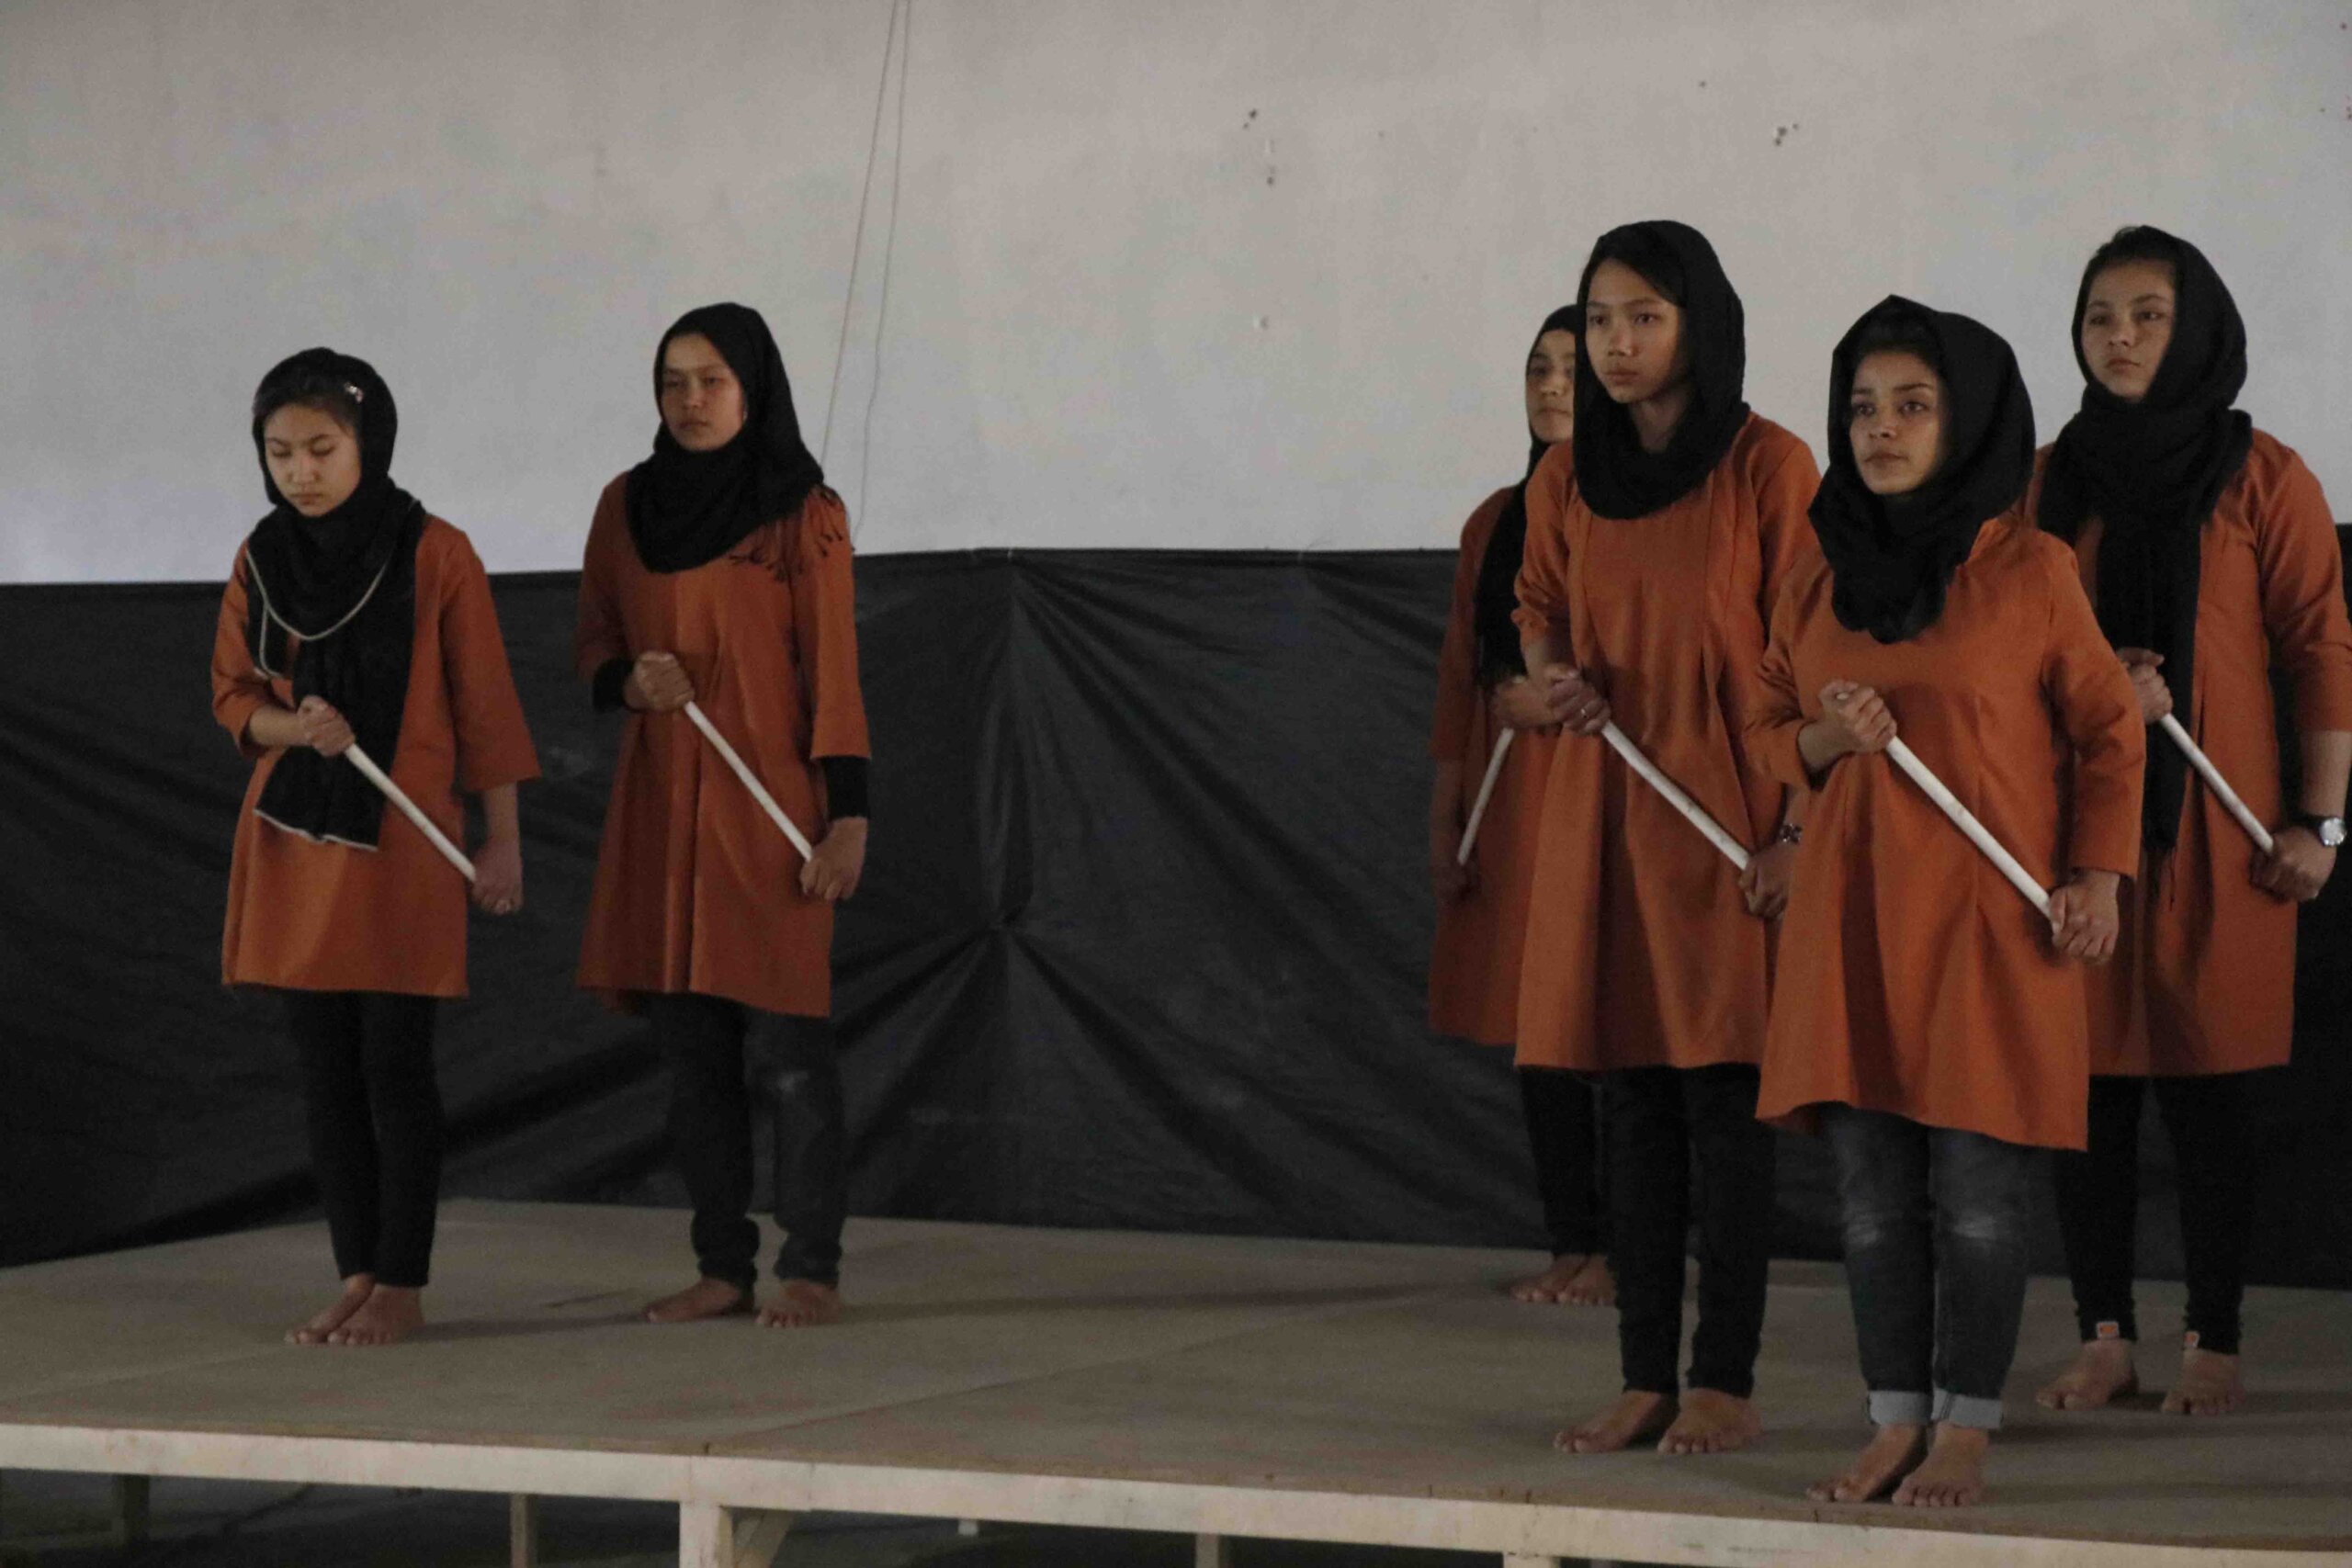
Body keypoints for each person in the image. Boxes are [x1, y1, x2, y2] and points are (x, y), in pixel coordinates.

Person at [1750, 297, 2144, 1506]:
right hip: (1852, 925)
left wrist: (2097, 874)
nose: (1882, 428)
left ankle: (1967, 1420)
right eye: (1864, 406)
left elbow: (2109, 730)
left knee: (1978, 1195)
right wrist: (1824, 732)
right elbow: (1768, 726)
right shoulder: (1817, 574)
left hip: (1990, 928)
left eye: (1913, 405)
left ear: (1964, 417)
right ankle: (1891, 1416)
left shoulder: (2028, 569)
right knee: (1872, 1197)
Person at [2028, 228, 2352, 1419]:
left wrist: (2321, 818)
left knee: (2214, 1093)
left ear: (2197, 322)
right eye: (2101, 314)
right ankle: (2104, 1336)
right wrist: (2098, 684)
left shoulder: (2267, 474)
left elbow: (2320, 649)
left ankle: (2215, 1334)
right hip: (2081, 838)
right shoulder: (2046, 479)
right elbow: (2004, 651)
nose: (2119, 336)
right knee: (2089, 1093)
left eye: (2147, 313)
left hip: (2227, 838)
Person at [1514, 221, 1819, 1455]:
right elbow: (1534, 609)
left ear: (1699, 320)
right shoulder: (1564, 475)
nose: (1618, 343)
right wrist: (1553, 674)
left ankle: (1724, 1377)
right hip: (1608, 817)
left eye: (1644, 315)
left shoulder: (1770, 464)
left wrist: (1797, 827)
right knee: (1629, 1095)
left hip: (1732, 823)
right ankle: (1645, 1369)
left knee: (1725, 1101)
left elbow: (1815, 649)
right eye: (1599, 320)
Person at [212, 347, 537, 1348]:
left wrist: (503, 844)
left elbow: (486, 708)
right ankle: (356, 1271)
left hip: (404, 841)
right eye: (280, 452)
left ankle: (404, 1281)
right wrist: (289, 729)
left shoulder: (435, 551)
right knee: (324, 1071)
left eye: (322, 447)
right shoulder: (260, 557)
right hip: (292, 844)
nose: (300, 471)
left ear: (369, 444)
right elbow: (234, 699)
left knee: (395, 1067)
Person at [576, 303, 872, 1330]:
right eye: (672, 381)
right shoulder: (625, 506)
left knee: (791, 1057)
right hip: (663, 815)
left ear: (751, 387)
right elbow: (594, 643)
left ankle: (812, 1268)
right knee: (692, 1057)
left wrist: (849, 818)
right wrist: (628, 683)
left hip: (775, 812)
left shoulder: (804, 512)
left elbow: (834, 673)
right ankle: (721, 1266)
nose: (690, 400)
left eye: (711, 380)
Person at [1429, 307, 1611, 1307]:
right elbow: (1461, 679)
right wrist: (1446, 820)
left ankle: (1628, 1247)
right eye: (1536, 368)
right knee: (1535, 1028)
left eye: (1572, 372)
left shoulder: (1633, 509)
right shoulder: (1493, 520)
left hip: (1603, 784)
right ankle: (1571, 1240)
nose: (1550, 387)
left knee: (1607, 1023)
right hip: (1512, 791)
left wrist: (1567, 692)